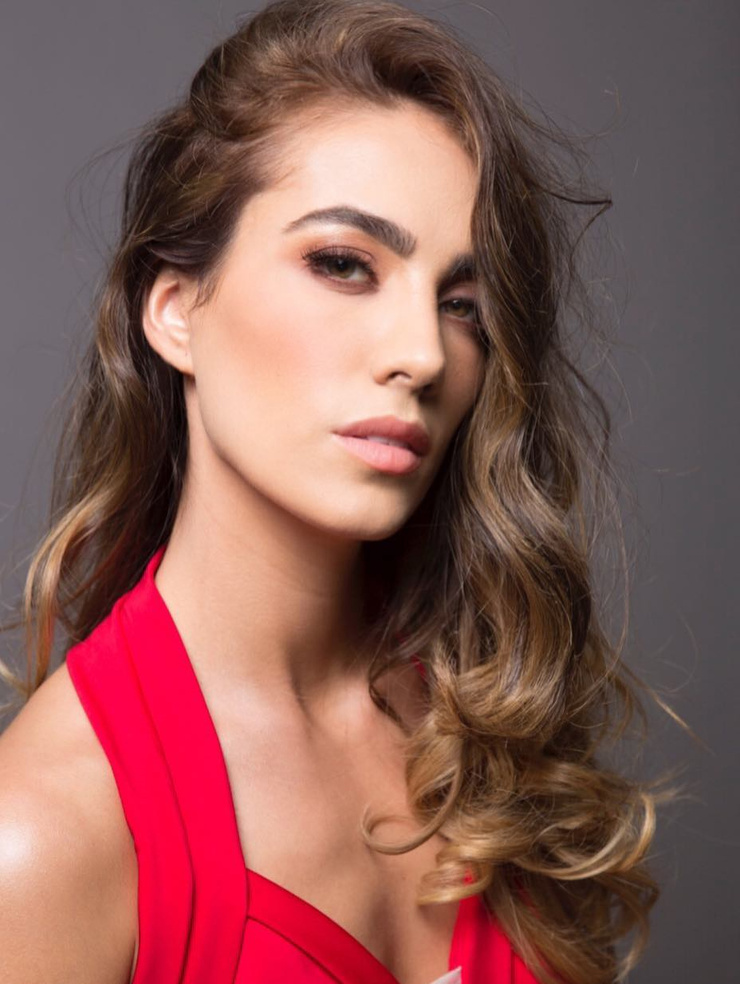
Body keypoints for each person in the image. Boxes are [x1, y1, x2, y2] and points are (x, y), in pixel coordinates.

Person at [0, 1, 684, 982]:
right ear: (176, 310)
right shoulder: (42, 839)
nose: (421, 354)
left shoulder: (476, 723)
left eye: (462, 304)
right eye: (343, 265)